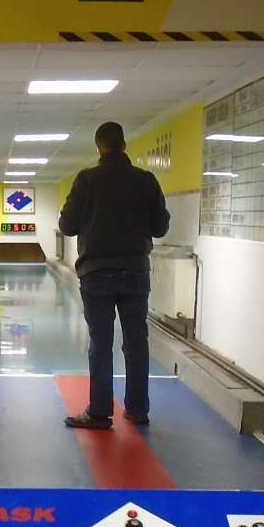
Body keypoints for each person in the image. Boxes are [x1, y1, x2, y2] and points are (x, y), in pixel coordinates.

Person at [58, 121, 169, 429]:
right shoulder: (146, 180)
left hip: (96, 273)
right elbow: (161, 227)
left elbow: (67, 226)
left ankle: (99, 412)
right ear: (124, 144)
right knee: (136, 342)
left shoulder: (86, 180)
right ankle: (138, 408)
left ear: (98, 147)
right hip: (135, 272)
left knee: (100, 343)